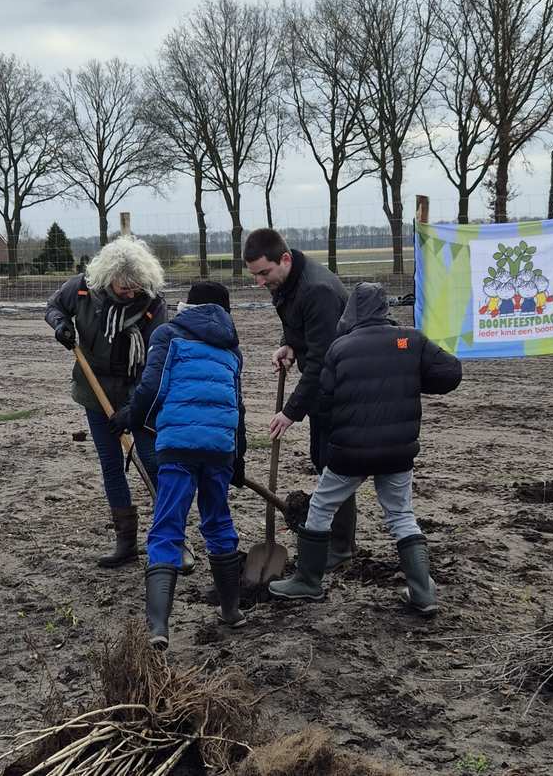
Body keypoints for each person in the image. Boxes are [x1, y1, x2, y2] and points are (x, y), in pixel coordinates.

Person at [269, 283, 463, 615]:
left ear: (351, 312)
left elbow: (326, 399)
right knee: (401, 515)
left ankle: (308, 582)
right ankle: (422, 593)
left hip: (350, 453)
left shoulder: (341, 348)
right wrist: (412, 379)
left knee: (321, 509)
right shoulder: (409, 340)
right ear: (384, 308)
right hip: (398, 452)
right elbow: (450, 372)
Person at [110, 281, 248, 649]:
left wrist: (130, 417)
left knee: (168, 525)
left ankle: (158, 627)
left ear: (190, 305)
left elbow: (153, 387)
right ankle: (231, 611)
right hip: (219, 448)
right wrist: (238, 457)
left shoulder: (168, 334)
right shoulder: (231, 348)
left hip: (178, 447)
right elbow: (238, 407)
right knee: (218, 521)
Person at [45, 236, 186, 570]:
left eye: (136, 286)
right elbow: (53, 307)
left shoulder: (152, 303)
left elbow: (157, 362)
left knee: (153, 461)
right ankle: (126, 542)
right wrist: (61, 326)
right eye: (124, 287)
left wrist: (133, 408)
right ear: (107, 278)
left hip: (141, 392)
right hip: (94, 391)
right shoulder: (81, 289)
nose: (130, 293)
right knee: (111, 464)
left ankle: (173, 537)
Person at [243, 229, 355, 569]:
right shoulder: (287, 283)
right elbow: (300, 326)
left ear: (286, 259)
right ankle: (336, 541)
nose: (260, 282)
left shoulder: (317, 290)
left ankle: (340, 547)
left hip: (342, 387)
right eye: (255, 275)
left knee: (336, 465)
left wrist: (290, 412)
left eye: (264, 273)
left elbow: (322, 360)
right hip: (324, 386)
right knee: (322, 461)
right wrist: (290, 344)